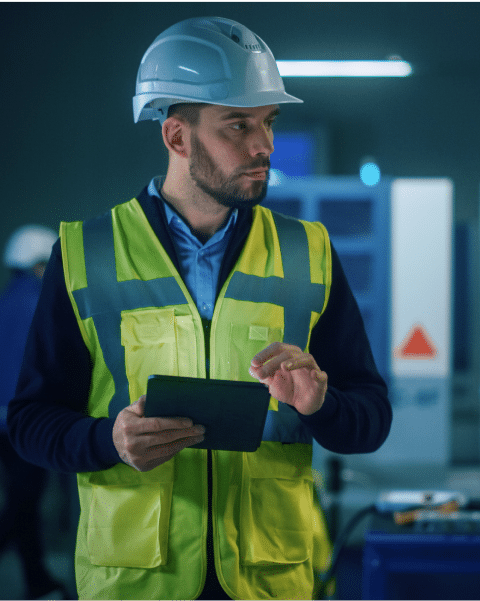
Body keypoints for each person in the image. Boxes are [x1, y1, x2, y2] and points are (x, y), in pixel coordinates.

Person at [8, 16, 392, 601]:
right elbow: (31, 423)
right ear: (177, 137)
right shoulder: (87, 253)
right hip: (137, 584)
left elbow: (370, 417)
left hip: (270, 579)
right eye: (237, 125)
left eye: (267, 122)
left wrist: (321, 404)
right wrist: (108, 442)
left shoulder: (308, 253)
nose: (262, 144)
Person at [0, 225, 69, 599]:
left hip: (3, 423)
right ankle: (38, 579)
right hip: (25, 424)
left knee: (22, 505)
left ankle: (37, 579)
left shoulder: (5, 302)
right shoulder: (37, 307)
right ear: (39, 266)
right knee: (22, 504)